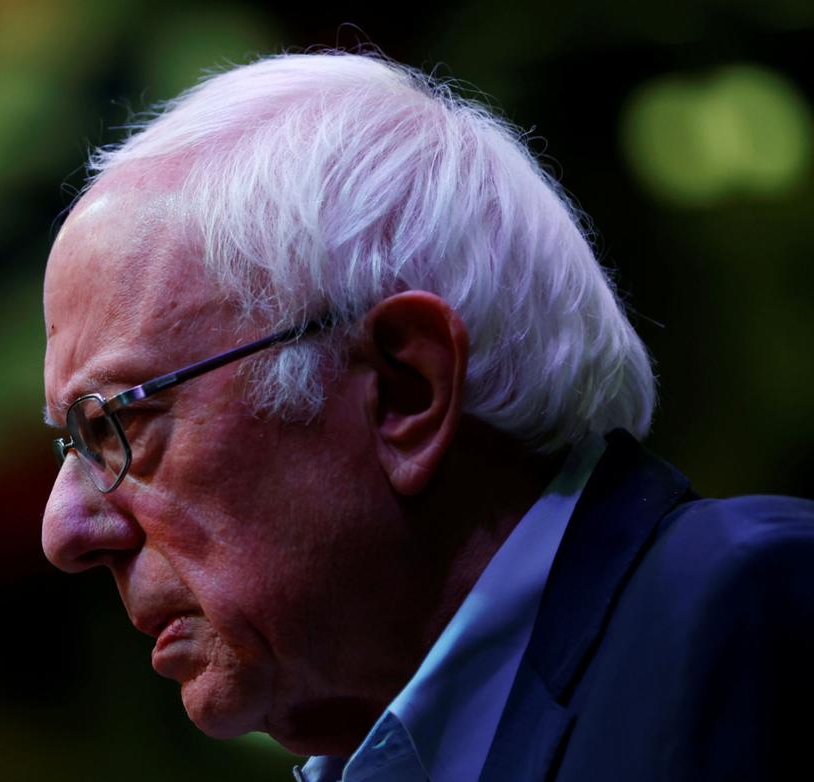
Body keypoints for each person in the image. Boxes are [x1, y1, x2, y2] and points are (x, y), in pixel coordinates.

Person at [40, 51, 814, 781]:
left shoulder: (759, 616)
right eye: (69, 444)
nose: (64, 531)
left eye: (115, 424)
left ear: (407, 388)